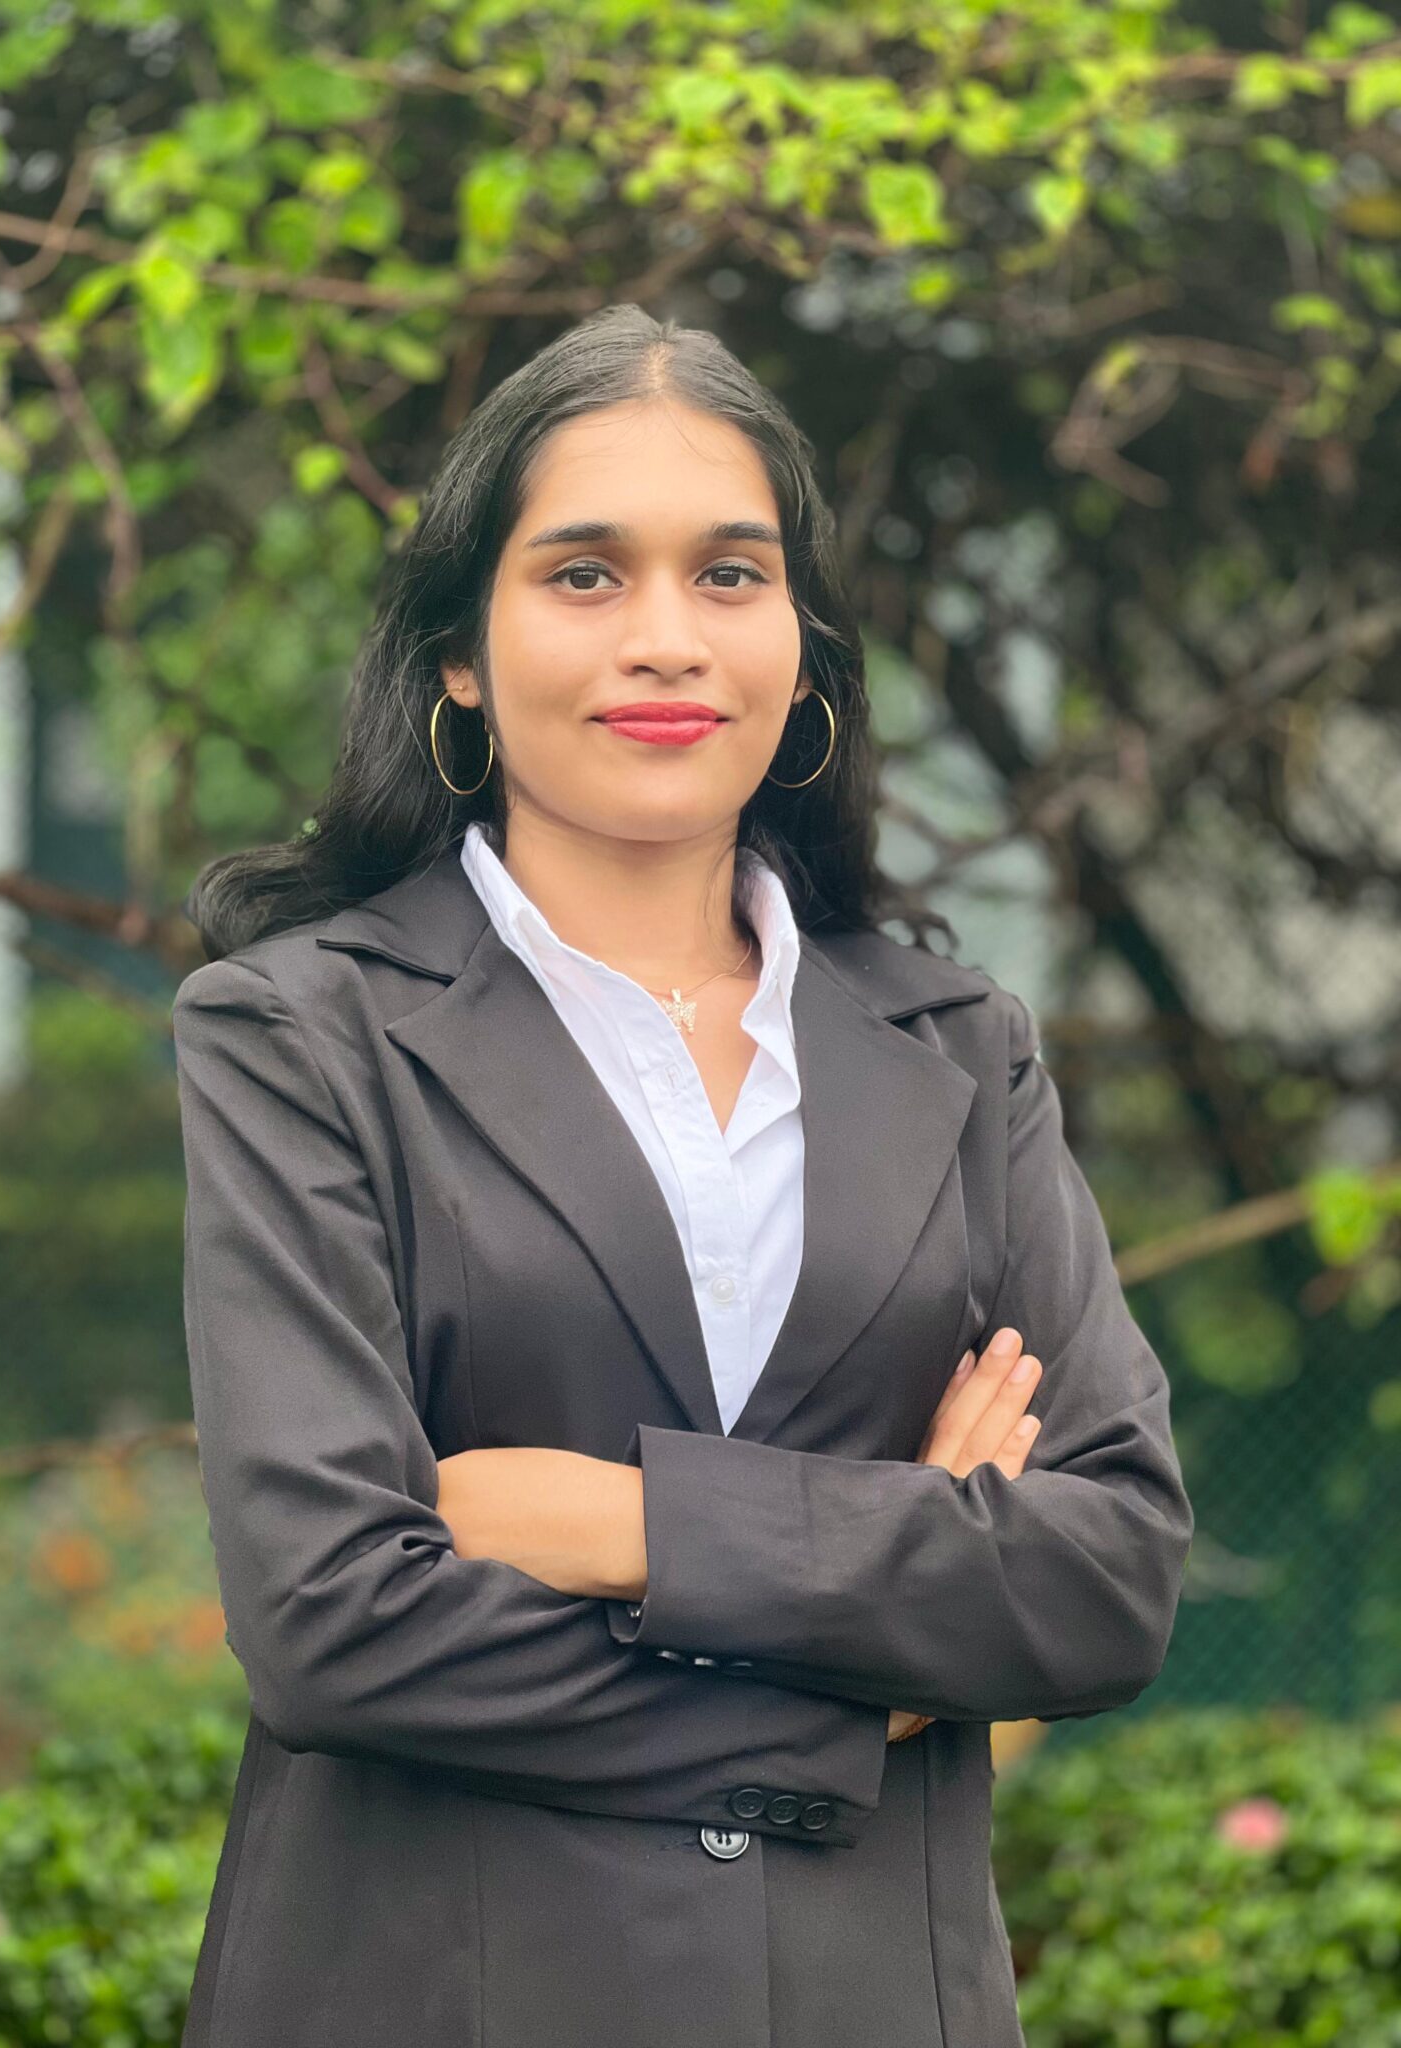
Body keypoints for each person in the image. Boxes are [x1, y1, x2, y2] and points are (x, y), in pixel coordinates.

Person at [171, 304, 1194, 2048]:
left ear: (801, 648)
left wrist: (613, 1524)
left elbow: (1103, 1576)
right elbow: (333, 1620)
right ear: (459, 654)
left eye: (730, 575)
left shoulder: (961, 1051)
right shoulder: (296, 1037)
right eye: (584, 574)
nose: (666, 639)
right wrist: (868, 1679)